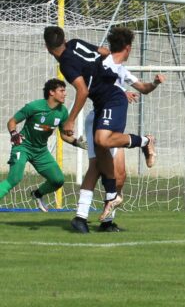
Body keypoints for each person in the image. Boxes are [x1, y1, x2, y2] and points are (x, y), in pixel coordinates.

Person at [71, 27, 165, 233]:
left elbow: (143, 88)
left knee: (119, 174)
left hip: (113, 120)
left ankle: (107, 221)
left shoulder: (122, 70)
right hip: (98, 117)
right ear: (128, 48)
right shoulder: (104, 62)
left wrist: (155, 83)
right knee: (96, 166)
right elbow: (99, 81)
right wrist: (122, 93)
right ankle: (80, 217)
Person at [0, 79, 87, 210]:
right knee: (15, 178)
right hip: (23, 146)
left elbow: (63, 135)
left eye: (65, 91)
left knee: (58, 180)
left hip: (40, 151)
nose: (65, 94)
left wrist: (76, 142)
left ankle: (37, 194)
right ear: (51, 92)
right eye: (62, 91)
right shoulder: (34, 106)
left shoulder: (62, 112)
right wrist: (14, 134)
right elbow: (12, 121)